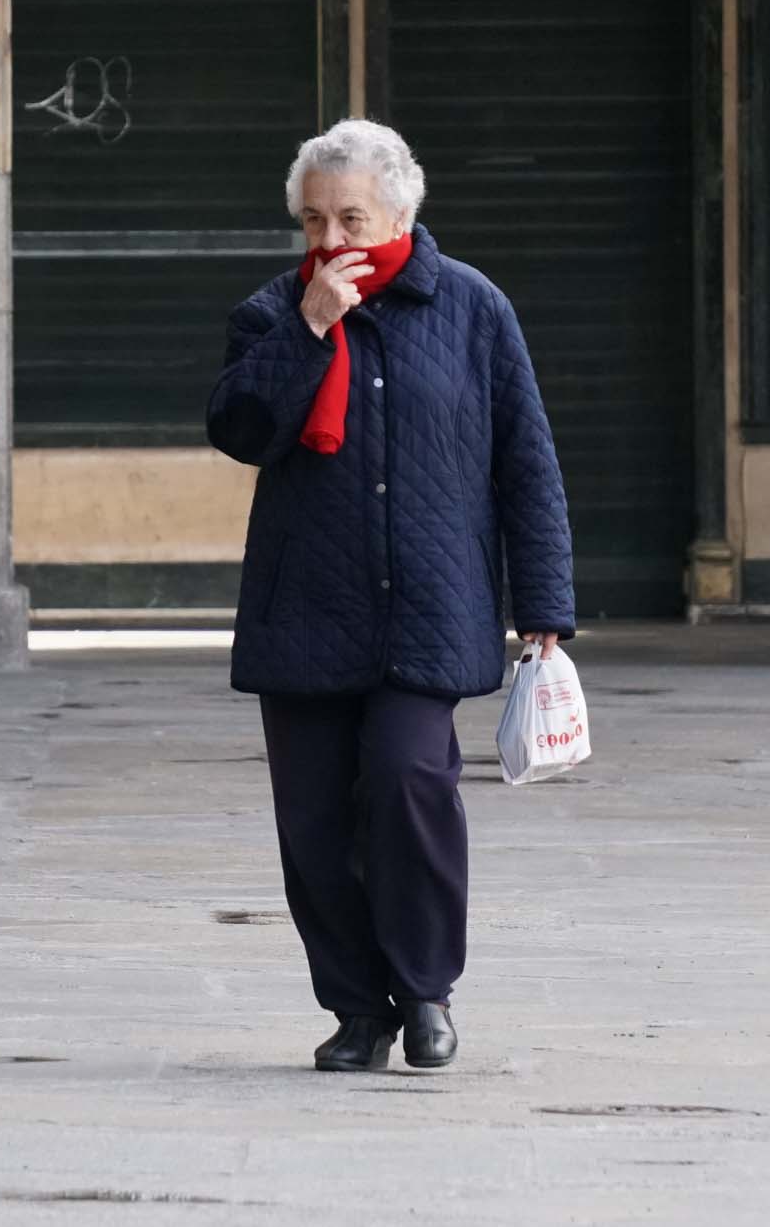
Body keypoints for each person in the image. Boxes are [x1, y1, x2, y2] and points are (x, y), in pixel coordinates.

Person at [205, 118, 575, 1073]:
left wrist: (545, 605)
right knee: (316, 820)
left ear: (400, 211)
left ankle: (425, 990)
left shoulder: (473, 308)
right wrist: (309, 328)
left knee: (412, 782)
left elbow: (525, 462)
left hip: (429, 600)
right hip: (307, 606)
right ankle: (356, 1007)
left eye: (352, 218)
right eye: (316, 220)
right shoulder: (270, 314)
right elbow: (242, 429)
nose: (332, 241)